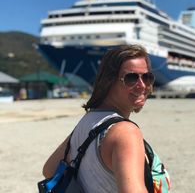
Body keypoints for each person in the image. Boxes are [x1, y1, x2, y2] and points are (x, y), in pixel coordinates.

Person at [42, 44, 170, 193]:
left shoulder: (90, 119)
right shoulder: (126, 133)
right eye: (131, 78)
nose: (142, 85)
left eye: (147, 77)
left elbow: (50, 170)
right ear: (108, 81)